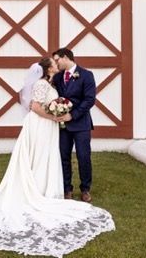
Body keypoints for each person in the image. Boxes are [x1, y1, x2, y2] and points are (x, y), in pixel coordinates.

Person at [0, 57, 114, 257]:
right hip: (41, 125)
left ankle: (67, 188)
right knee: (40, 156)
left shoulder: (53, 82)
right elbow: (35, 106)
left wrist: (58, 111)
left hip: (50, 126)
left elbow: (81, 99)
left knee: (51, 155)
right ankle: (41, 189)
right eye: (53, 63)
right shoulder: (41, 83)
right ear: (47, 69)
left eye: (58, 61)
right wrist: (54, 116)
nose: (56, 64)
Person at [52, 48, 96, 203]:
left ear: (65, 58)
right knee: (64, 157)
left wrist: (72, 115)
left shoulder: (86, 75)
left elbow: (90, 100)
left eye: (57, 60)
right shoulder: (57, 77)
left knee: (84, 156)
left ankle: (85, 189)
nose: (56, 63)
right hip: (63, 126)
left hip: (81, 123)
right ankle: (66, 189)